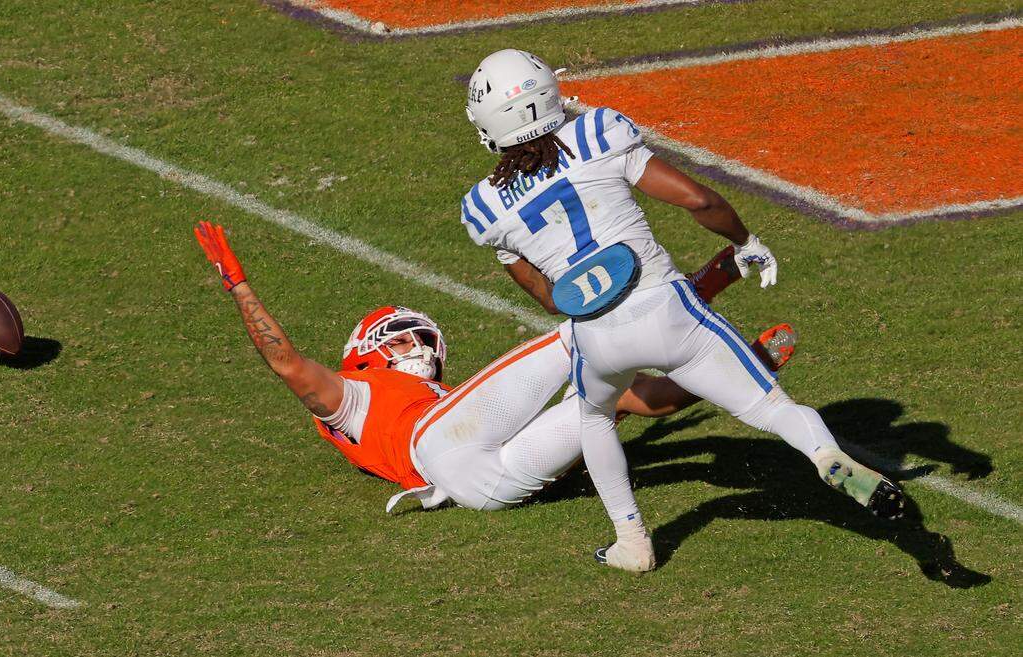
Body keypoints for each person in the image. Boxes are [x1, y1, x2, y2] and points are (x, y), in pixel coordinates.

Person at [461, 49, 903, 572]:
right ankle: (826, 457)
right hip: (668, 309)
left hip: (597, 337)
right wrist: (745, 240)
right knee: (771, 407)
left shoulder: (482, 206)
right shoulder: (597, 132)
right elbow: (698, 200)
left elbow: (546, 294)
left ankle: (632, 541)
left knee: (594, 419)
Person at [193, 222, 792, 548]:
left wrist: (744, 369)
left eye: (423, 340)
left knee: (605, 400)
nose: (421, 349)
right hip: (436, 446)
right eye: (403, 339)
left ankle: (745, 366)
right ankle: (706, 283)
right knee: (576, 334)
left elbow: (649, 401)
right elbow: (287, 365)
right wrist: (239, 285)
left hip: (480, 490)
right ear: (365, 353)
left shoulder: (434, 395)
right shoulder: (352, 394)